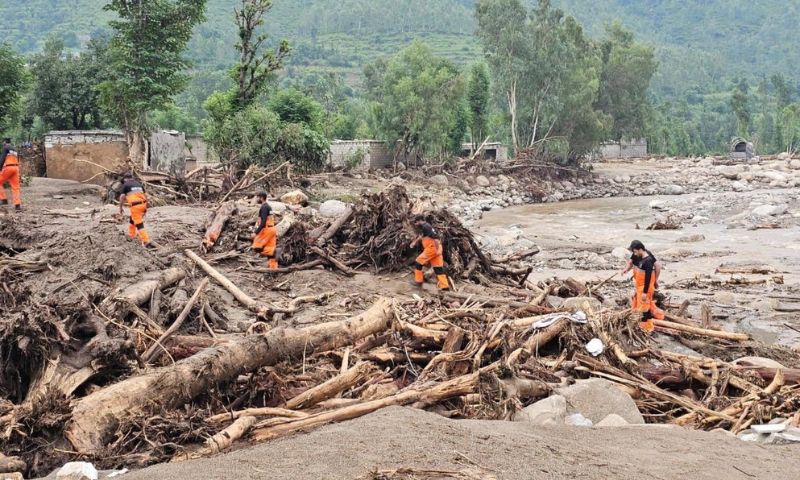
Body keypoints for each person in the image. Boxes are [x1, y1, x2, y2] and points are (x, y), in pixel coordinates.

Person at [622, 240, 664, 332]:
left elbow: (651, 274)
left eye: (635, 251)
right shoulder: (637, 255)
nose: (634, 253)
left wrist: (653, 283)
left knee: (644, 308)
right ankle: (645, 321)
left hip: (646, 287)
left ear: (640, 249)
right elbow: (631, 262)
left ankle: (646, 328)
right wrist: (626, 269)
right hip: (639, 285)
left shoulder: (648, 261)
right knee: (639, 303)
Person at [410, 214, 450, 290]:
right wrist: (414, 242)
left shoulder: (426, 227)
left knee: (418, 262)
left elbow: (436, 238)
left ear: (419, 221)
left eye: (415, 222)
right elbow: (422, 236)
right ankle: (445, 287)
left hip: (432, 248)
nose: (415, 224)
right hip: (434, 249)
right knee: (438, 268)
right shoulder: (425, 227)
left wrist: (438, 249)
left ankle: (418, 281)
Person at [118, 173, 154, 248]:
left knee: (139, 224)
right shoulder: (139, 184)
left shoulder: (125, 185)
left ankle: (146, 241)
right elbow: (145, 195)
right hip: (143, 204)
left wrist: (120, 207)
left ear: (125, 179)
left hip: (135, 206)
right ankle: (132, 235)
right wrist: (145, 209)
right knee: (132, 220)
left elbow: (122, 197)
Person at [252, 192, 278, 270]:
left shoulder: (264, 207)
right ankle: (273, 269)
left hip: (267, 229)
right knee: (269, 251)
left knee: (257, 246)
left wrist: (255, 232)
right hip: (272, 229)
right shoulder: (268, 207)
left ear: (262, 198)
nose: (256, 199)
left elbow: (263, 222)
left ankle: (276, 251)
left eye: (257, 197)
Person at [0, 139, 22, 211]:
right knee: (16, 187)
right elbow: (18, 159)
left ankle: (3, 199)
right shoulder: (15, 149)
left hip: (8, 167)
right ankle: (17, 205)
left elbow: (2, 159)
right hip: (16, 168)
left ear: (5, 142)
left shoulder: (5, 148)